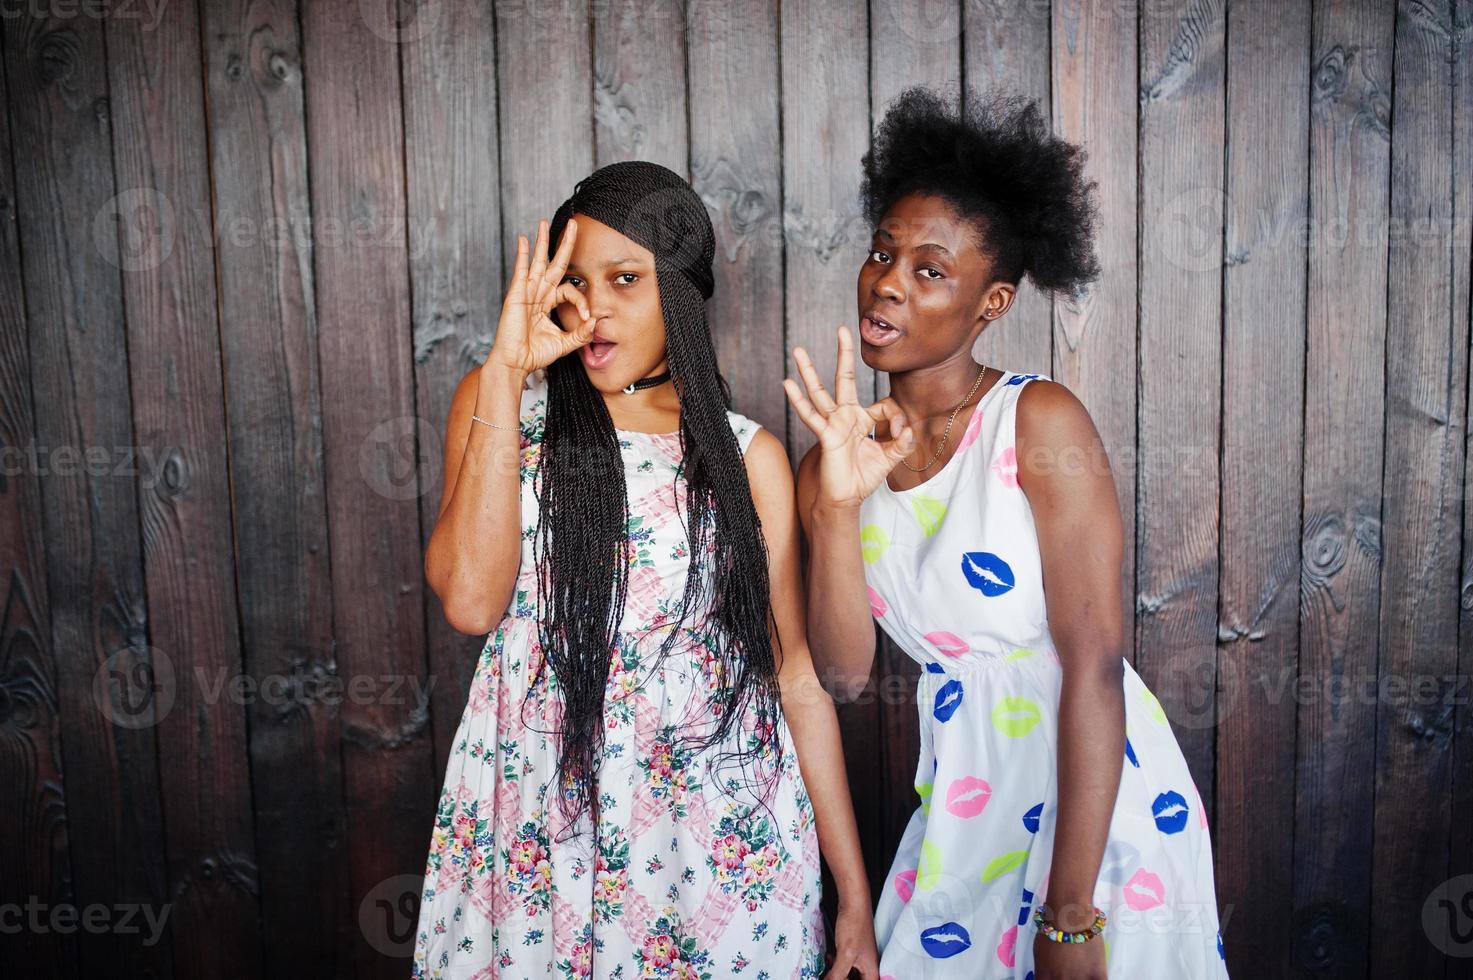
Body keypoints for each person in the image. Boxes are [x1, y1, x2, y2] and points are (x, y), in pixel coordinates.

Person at [785, 88, 1231, 979]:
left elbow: (1095, 660)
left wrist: (1071, 915)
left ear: (989, 304)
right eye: (884, 252)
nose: (886, 281)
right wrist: (835, 507)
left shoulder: (1038, 421)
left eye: (929, 270)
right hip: (963, 801)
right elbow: (840, 673)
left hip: (1094, 810)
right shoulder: (835, 459)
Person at [414, 160, 879, 979]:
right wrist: (504, 369)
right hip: (539, 821)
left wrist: (854, 900)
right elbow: (469, 602)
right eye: (574, 282)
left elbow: (794, 674)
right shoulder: (500, 407)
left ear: (679, 292)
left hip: (710, 834)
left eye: (624, 280)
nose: (592, 310)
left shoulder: (744, 456)